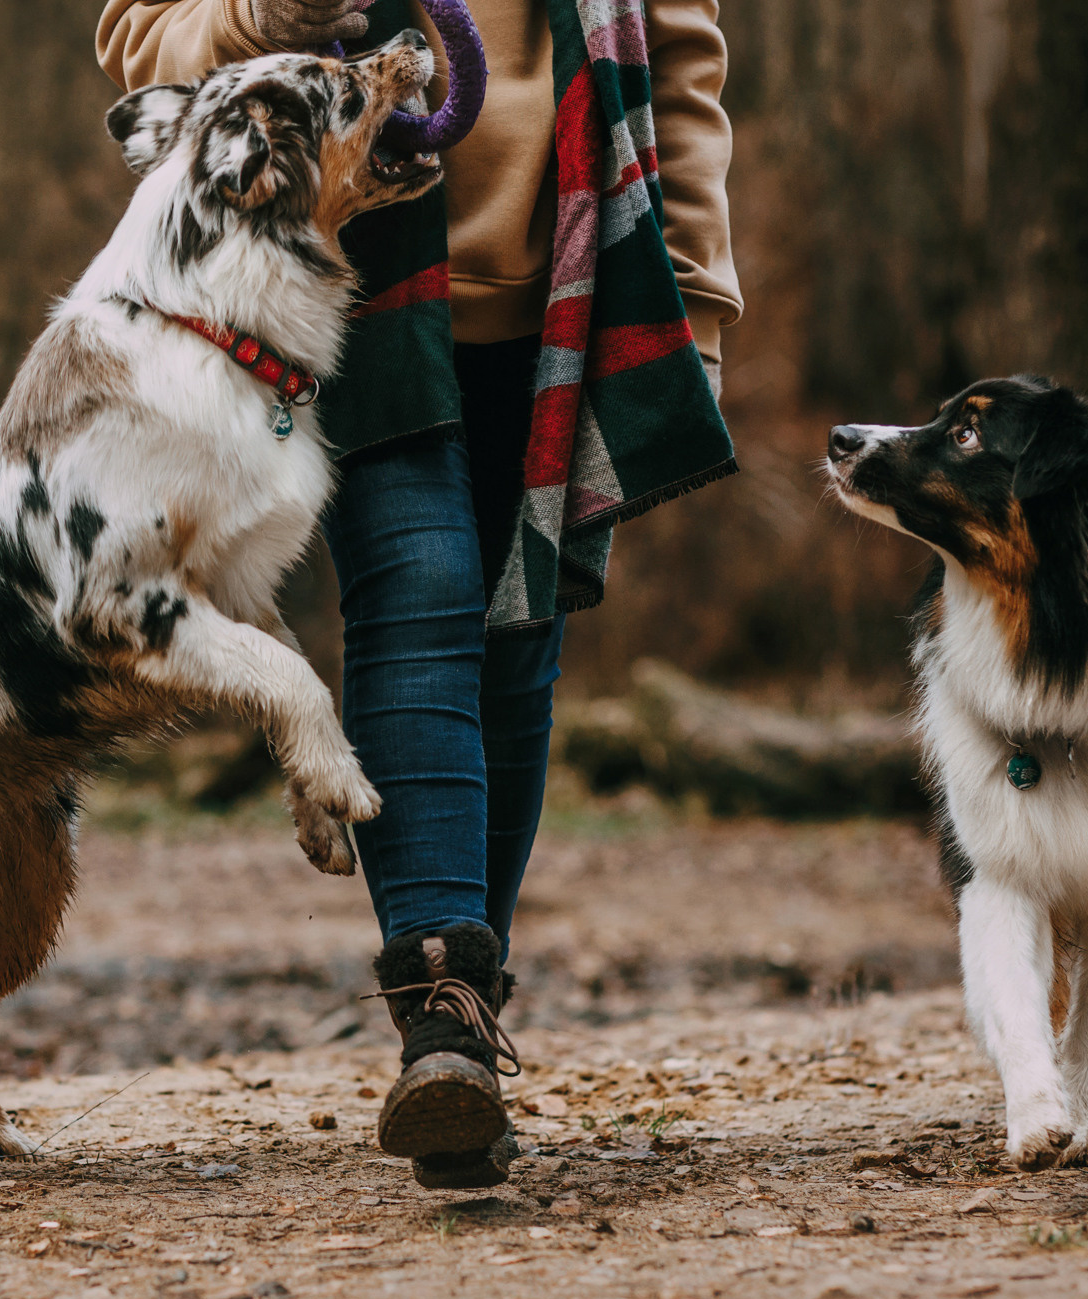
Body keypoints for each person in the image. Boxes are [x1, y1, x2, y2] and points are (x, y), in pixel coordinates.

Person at [97, 0, 741, 1189]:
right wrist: (258, 16)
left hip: (570, 289)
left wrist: (693, 292)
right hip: (343, 287)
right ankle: (439, 1011)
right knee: (419, 586)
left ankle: (460, 1044)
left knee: (518, 633)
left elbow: (683, 75)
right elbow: (139, 38)